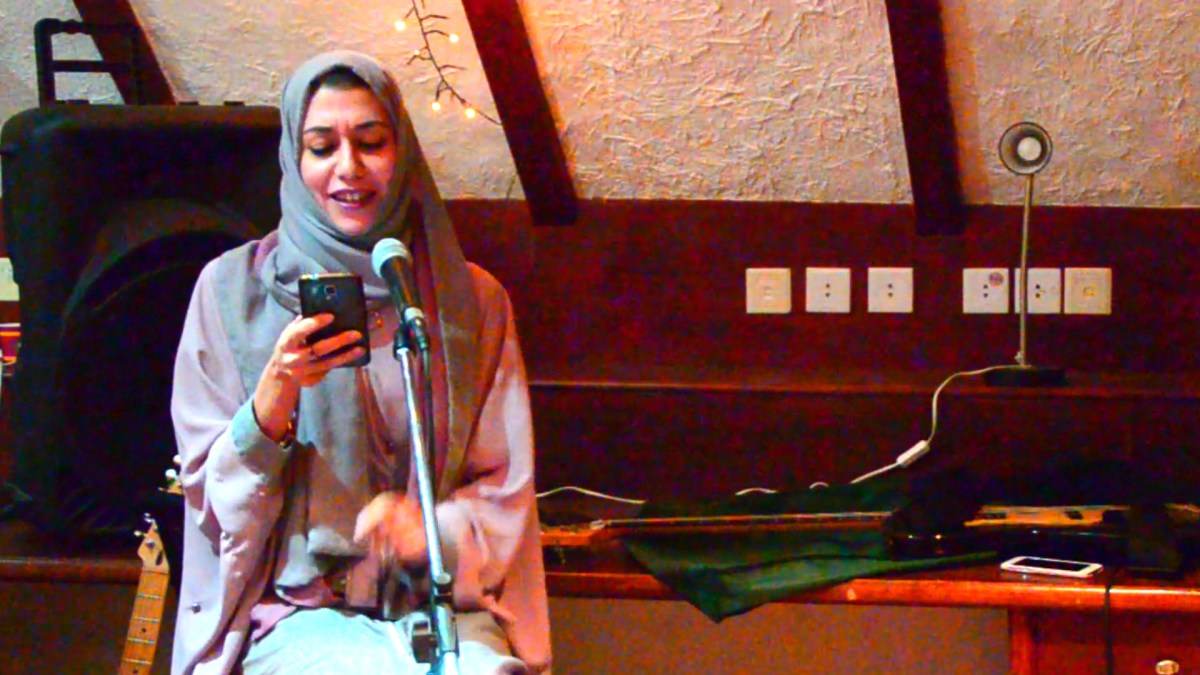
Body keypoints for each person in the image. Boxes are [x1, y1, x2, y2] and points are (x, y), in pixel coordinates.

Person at [169, 50, 550, 674]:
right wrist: (271, 403)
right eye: (322, 147)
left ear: (403, 154)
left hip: (441, 604)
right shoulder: (230, 293)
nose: (349, 167)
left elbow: (505, 488)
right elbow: (208, 499)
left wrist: (430, 531)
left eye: (371, 143)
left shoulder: (471, 301)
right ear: (294, 160)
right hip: (293, 615)